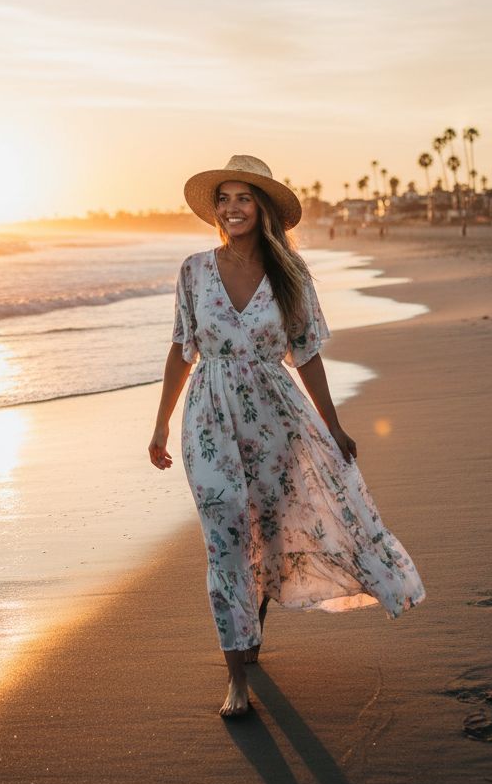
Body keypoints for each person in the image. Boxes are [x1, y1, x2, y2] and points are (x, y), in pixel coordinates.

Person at [148, 155, 425, 718]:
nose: (231, 209)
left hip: (275, 415)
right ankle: (236, 678)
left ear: (263, 207)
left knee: (267, 532)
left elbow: (309, 354)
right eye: (223, 199)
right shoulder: (194, 270)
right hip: (208, 416)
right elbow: (182, 349)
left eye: (242, 198)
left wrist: (333, 424)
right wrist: (159, 424)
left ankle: (254, 626)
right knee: (224, 533)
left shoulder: (290, 276)